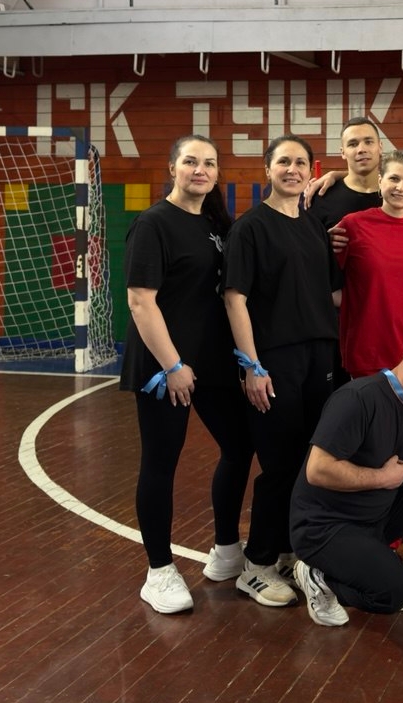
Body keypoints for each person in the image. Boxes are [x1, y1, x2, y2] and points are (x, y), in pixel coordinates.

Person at [121, 134, 254, 614]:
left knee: (240, 446)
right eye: (191, 161)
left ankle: (226, 550)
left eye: (209, 163)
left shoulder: (216, 224)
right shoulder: (153, 223)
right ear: (173, 168)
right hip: (165, 367)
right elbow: (141, 300)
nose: (201, 170)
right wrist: (172, 365)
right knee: (161, 462)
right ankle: (158, 571)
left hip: (212, 361)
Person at [224, 135, 343, 607]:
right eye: (283, 162)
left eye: (300, 163)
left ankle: (292, 551)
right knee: (279, 464)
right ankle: (255, 565)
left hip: (320, 357)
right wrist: (252, 366)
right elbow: (235, 299)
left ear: (312, 171)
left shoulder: (313, 224)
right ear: (267, 169)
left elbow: (332, 293)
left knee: (310, 463)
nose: (292, 170)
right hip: (274, 361)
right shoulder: (250, 228)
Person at [289, 326, 403, 626]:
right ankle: (318, 576)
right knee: (393, 592)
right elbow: (317, 470)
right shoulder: (359, 397)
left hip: (374, 519)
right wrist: (382, 478)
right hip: (325, 528)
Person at [333, 150, 403, 378]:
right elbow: (324, 285)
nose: (400, 187)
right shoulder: (353, 225)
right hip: (368, 348)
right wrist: (358, 303)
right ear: (380, 180)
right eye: (394, 178)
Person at [303, 117, 384, 230]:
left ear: (380, 147)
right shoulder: (321, 197)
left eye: (369, 142)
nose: (361, 149)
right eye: (353, 144)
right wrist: (326, 238)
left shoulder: (399, 195)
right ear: (343, 152)